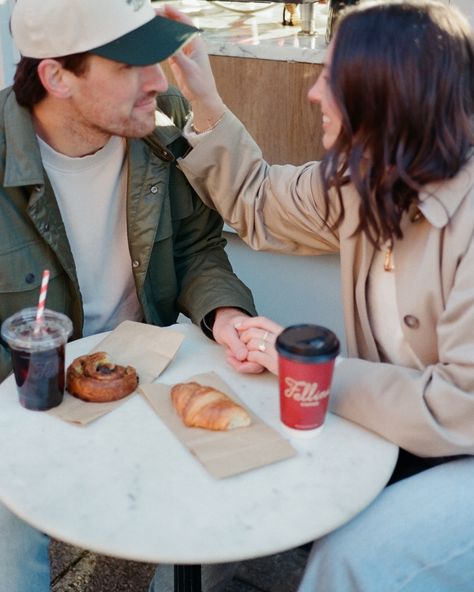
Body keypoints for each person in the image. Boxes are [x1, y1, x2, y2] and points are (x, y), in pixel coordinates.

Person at [163, 0, 474, 589]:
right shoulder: (363, 184)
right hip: (405, 442)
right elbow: (255, 201)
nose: (313, 91)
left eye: (331, 76)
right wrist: (202, 93)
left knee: (355, 561)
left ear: (384, 93)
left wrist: (305, 368)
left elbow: (462, 406)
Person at [0, 0, 263, 590]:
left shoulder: (164, 121)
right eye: (129, 64)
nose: (158, 80)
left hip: (148, 365)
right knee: (6, 536)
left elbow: (198, 247)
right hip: (24, 397)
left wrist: (223, 314)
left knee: (248, 467)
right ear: (57, 76)